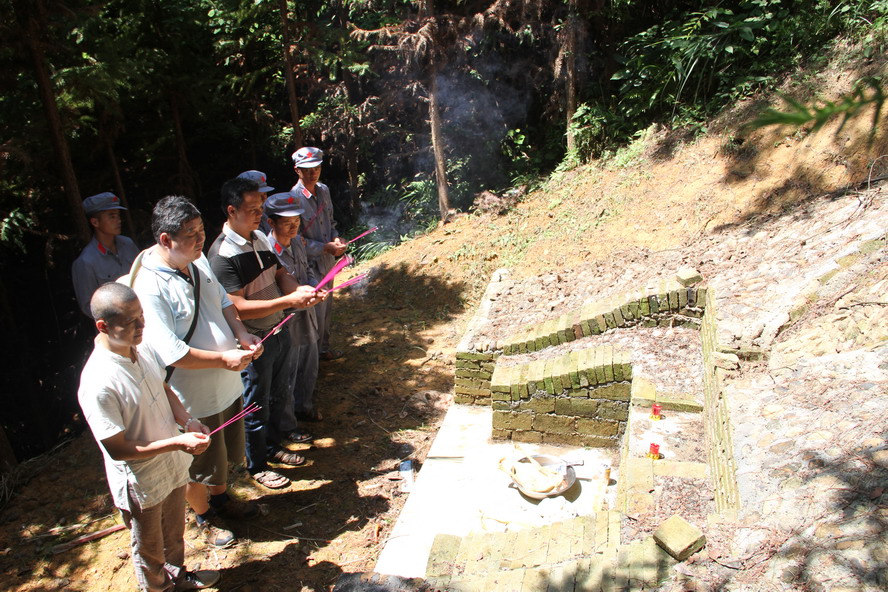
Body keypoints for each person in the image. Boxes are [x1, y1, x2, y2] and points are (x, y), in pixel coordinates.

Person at [130, 195, 264, 547]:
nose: (201, 239)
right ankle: (203, 515)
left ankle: (220, 499)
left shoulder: (198, 258)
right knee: (198, 461)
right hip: (191, 396)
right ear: (165, 240)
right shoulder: (149, 285)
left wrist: (241, 334)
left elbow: (222, 301)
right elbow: (171, 353)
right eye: (191, 234)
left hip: (225, 385)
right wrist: (223, 359)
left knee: (222, 454)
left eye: (202, 230)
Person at [78, 283, 220, 592]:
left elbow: (164, 388)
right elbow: (117, 449)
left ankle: (179, 578)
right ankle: (159, 588)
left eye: (142, 316)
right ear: (103, 326)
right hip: (140, 481)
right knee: (150, 550)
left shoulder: (140, 348)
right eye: (131, 321)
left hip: (170, 465)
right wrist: (177, 442)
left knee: (175, 535)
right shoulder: (99, 380)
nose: (142, 326)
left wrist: (188, 421)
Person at [208, 177, 326, 489]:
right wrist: (289, 300)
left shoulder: (259, 237)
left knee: (277, 394)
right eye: (253, 209)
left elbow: (279, 272)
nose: (260, 214)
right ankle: (256, 465)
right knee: (255, 404)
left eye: (261, 208)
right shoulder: (221, 255)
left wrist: (298, 288)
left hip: (278, 331)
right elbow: (236, 308)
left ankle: (274, 448)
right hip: (253, 342)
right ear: (232, 210)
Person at [264, 192, 322, 428]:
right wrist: (296, 297)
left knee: (309, 365)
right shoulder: (267, 250)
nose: (293, 226)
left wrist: (312, 287)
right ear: (271, 222)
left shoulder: (298, 241)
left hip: (307, 315)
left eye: (297, 221)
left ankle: (304, 406)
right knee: (287, 375)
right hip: (286, 321)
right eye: (287, 222)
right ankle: (287, 425)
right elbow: (270, 289)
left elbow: (306, 269)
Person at [291, 147, 346, 361]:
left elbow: (331, 223)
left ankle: (323, 350)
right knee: (314, 312)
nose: (312, 173)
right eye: (307, 169)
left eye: (316, 168)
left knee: (327, 307)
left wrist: (336, 239)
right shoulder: (293, 198)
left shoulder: (323, 190)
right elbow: (295, 239)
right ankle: (311, 358)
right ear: (297, 171)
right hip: (308, 264)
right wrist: (324, 248)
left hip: (327, 261)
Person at [72, 192, 140, 318]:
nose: (118, 220)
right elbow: (89, 306)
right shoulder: (86, 262)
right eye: (112, 216)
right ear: (95, 222)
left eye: (118, 216)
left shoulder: (128, 244)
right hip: (117, 328)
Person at [236, 170, 275, 234]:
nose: (264, 198)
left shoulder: (265, 214)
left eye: (265, 194)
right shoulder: (244, 221)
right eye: (259, 195)